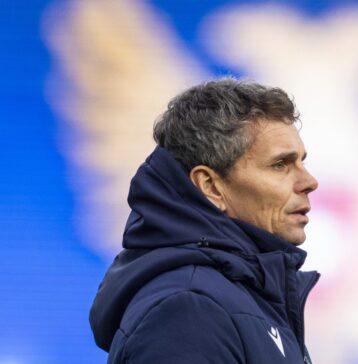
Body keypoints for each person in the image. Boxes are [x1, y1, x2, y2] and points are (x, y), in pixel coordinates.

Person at [89, 78, 320, 363]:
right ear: (211, 186)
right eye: (280, 165)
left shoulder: (245, 297)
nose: (309, 182)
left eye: (302, 162)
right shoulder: (187, 310)